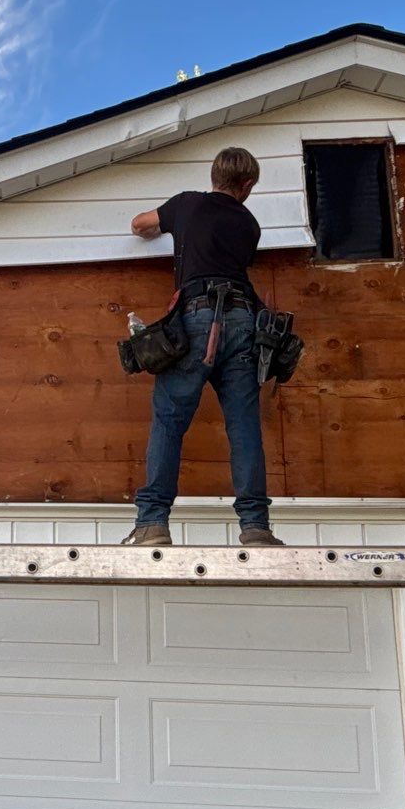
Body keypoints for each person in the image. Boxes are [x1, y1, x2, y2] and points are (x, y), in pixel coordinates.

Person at [124, 147, 279, 547]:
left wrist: (165, 226)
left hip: (195, 317)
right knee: (244, 426)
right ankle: (255, 527)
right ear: (246, 185)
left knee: (170, 420)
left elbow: (140, 225)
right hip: (245, 320)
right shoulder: (249, 224)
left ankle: (152, 523)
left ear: (213, 175)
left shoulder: (187, 204)